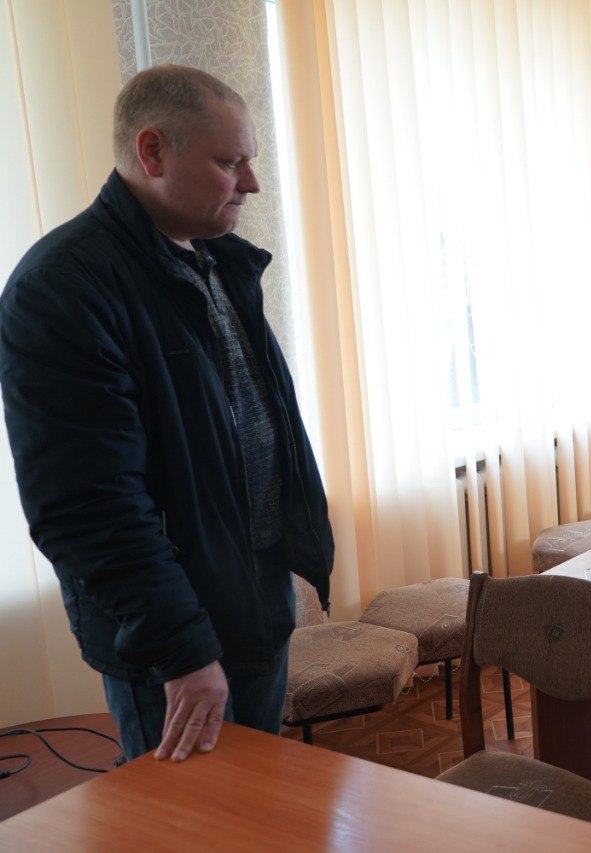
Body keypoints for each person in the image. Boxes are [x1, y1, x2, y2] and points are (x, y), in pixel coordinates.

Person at [0, 66, 333, 763]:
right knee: (190, 817)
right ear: (152, 152)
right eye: (230, 162)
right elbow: (88, 506)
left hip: (254, 602)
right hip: (174, 640)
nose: (251, 183)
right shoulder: (62, 288)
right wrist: (182, 648)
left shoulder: (218, 262)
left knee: (261, 801)